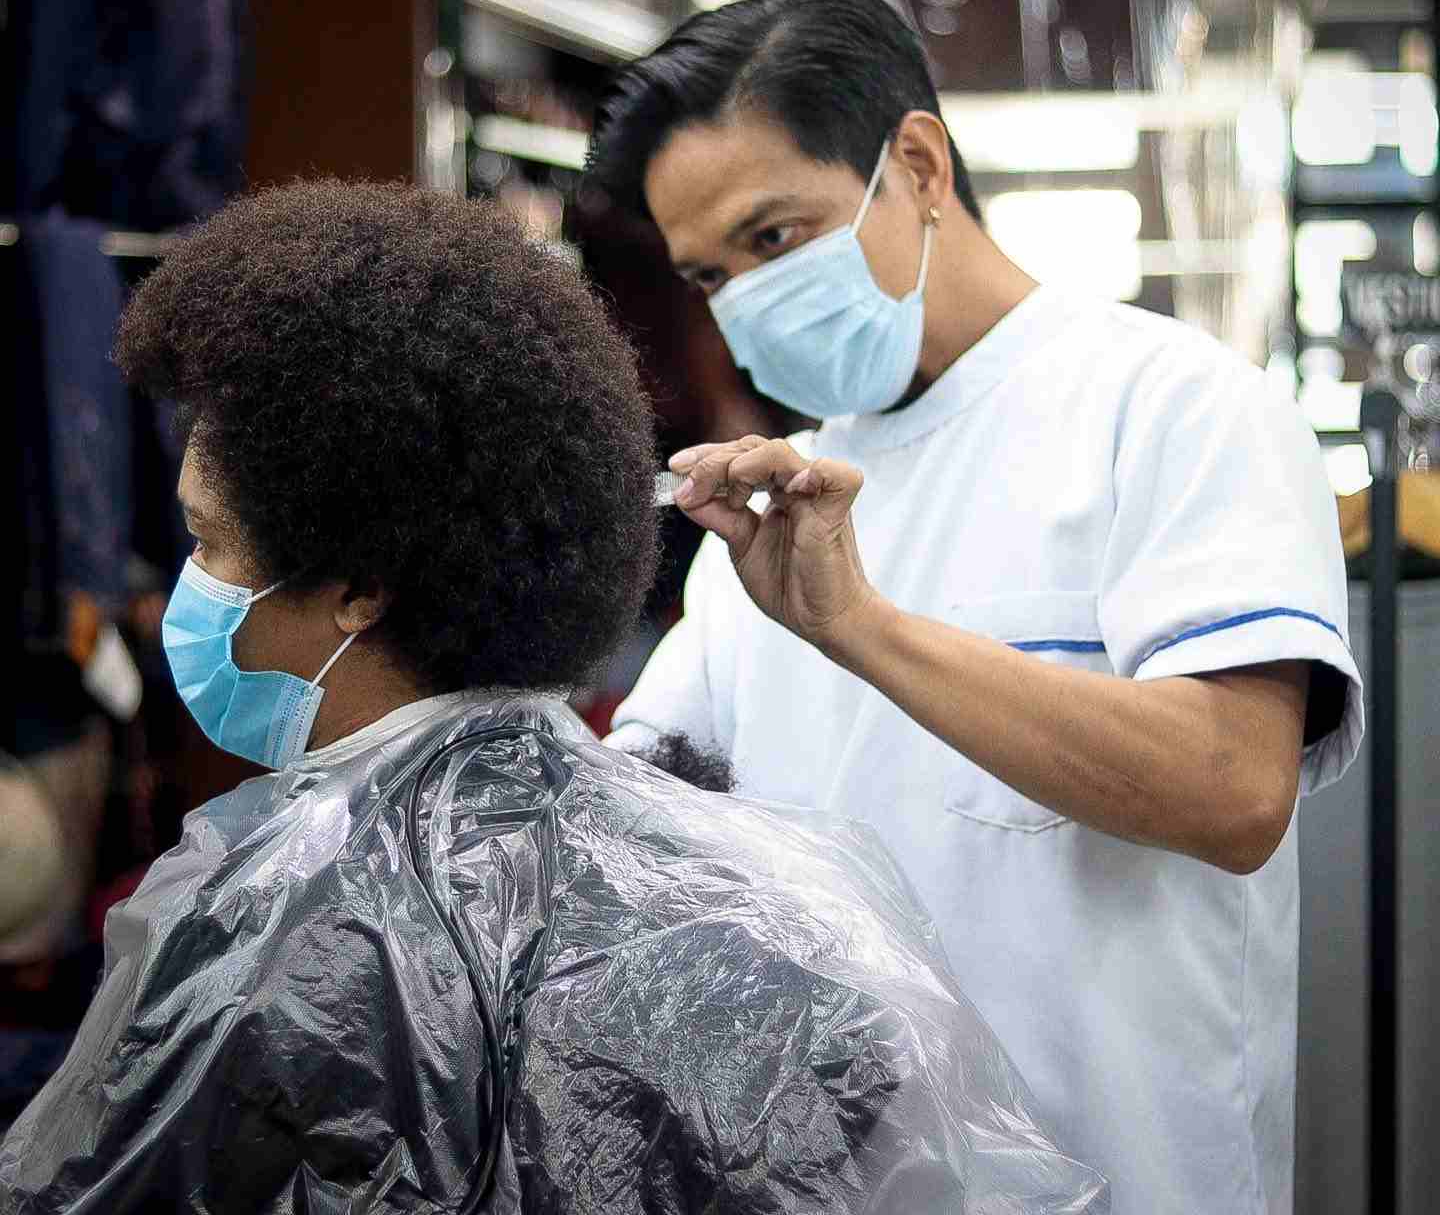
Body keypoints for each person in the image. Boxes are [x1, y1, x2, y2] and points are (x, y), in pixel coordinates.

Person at [0, 181, 1110, 1213]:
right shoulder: (778, 908)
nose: (193, 589)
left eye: (209, 542)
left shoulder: (256, 931)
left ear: (358, 591)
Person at [589, 0, 1364, 1215]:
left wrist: (869, 632)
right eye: (707, 277)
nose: (743, 303)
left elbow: (1233, 788)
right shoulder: (770, 510)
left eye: (774, 239)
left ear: (917, 163)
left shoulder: (1174, 410)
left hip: (1132, 1179)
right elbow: (647, 823)